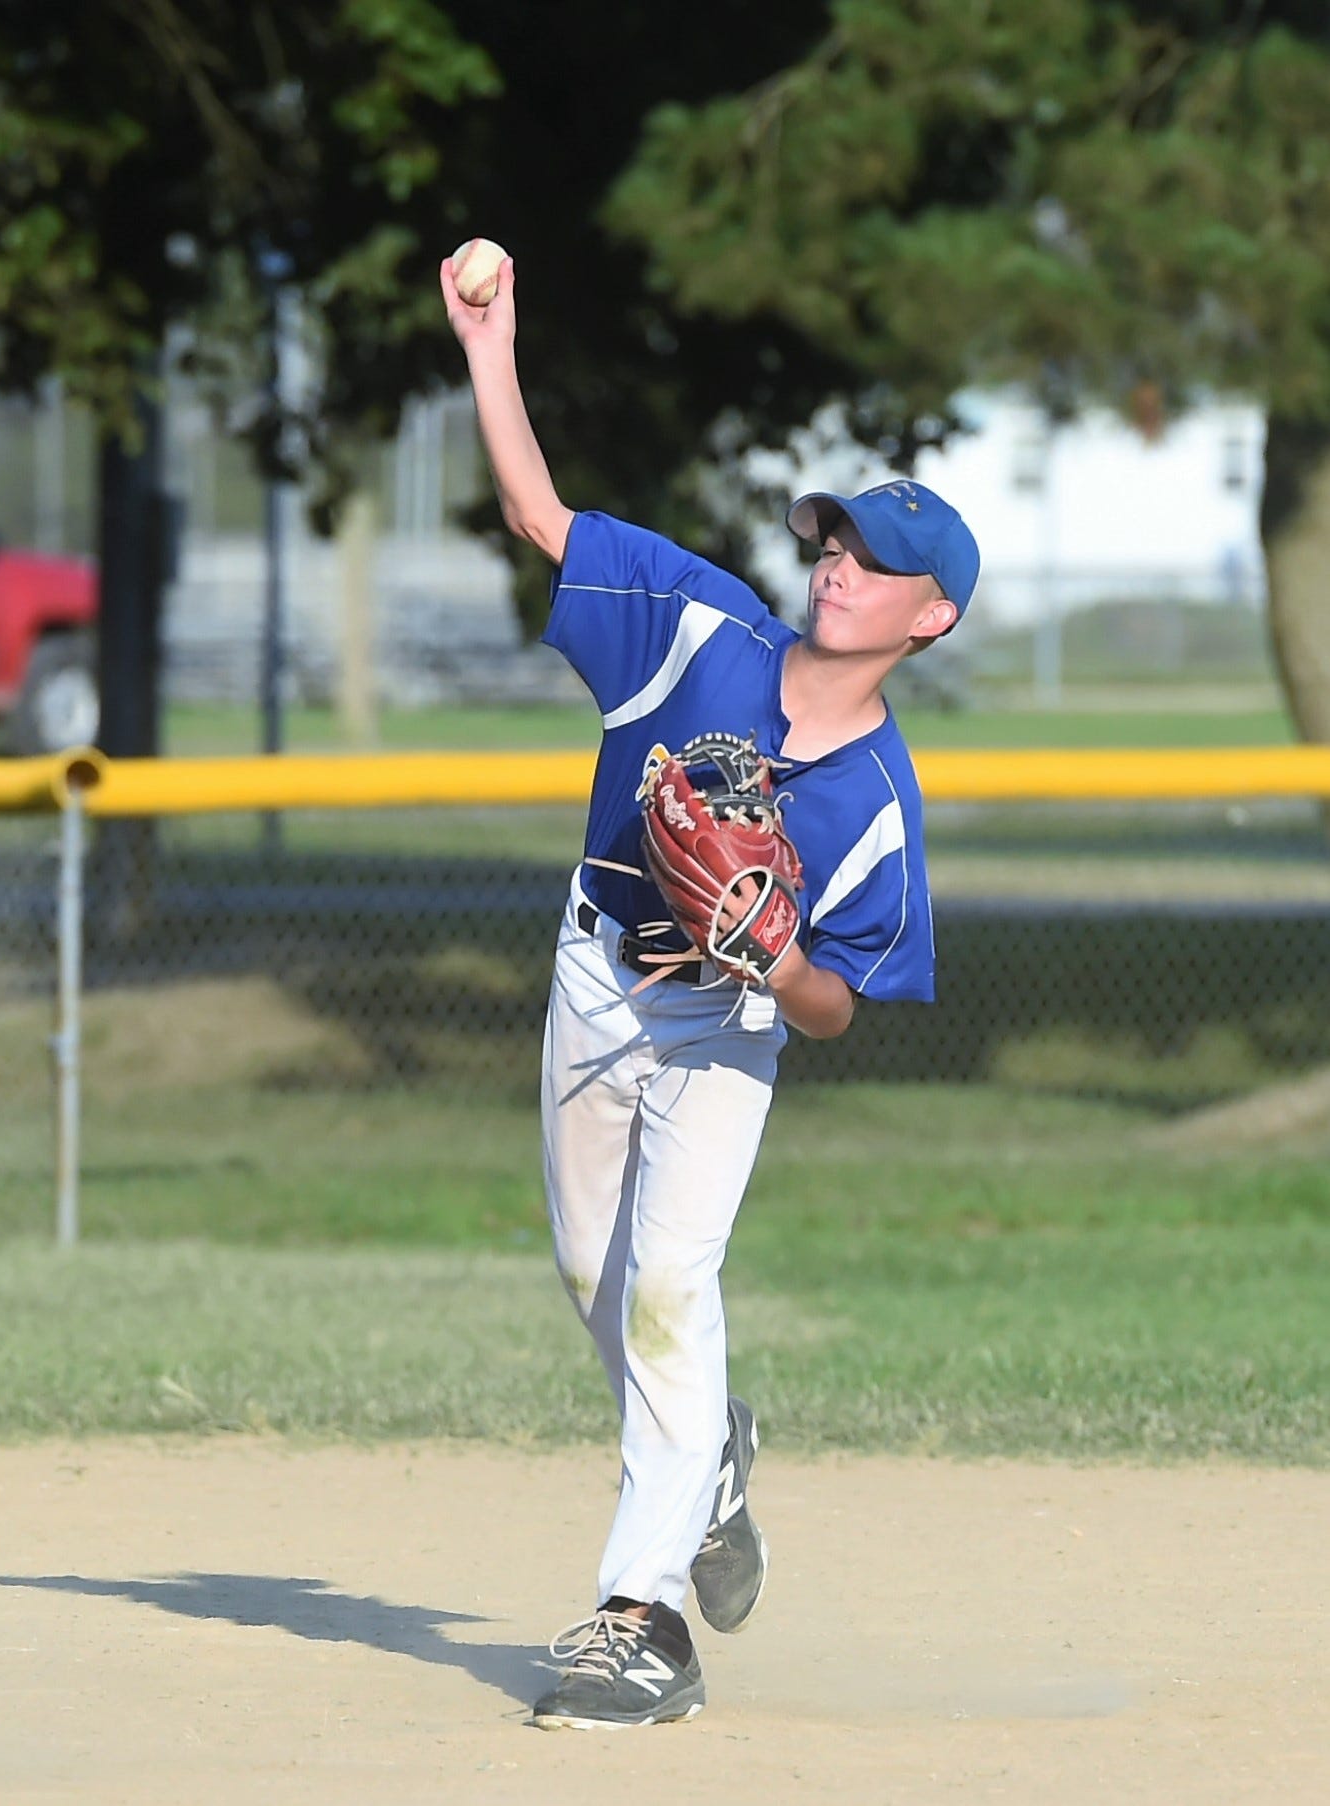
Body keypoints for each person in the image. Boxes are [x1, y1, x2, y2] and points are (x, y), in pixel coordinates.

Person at [441, 252, 980, 1731]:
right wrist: (492, 345)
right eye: (831, 542)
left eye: (871, 562)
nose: (837, 567)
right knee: (594, 1283)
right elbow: (542, 516)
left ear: (928, 621)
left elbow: (835, 1008)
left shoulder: (875, 799)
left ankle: (641, 1621)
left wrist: (776, 956)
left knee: (673, 1288)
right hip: (592, 963)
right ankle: (714, 1460)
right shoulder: (698, 629)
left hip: (724, 1025)